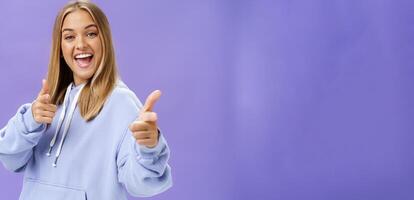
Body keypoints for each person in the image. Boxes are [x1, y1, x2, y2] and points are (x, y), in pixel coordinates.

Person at [0, 1, 172, 199]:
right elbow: (10, 159)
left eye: (91, 33)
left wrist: (150, 147)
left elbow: (142, 186)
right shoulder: (49, 102)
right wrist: (30, 120)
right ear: (60, 48)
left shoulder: (121, 103)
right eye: (69, 36)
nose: (80, 44)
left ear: (104, 40)